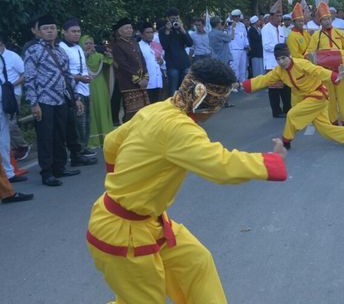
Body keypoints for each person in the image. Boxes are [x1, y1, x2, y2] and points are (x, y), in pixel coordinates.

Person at [86, 58, 288, 303]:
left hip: (148, 221)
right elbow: (220, 166)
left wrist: (120, 180)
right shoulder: (179, 129)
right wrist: (269, 162)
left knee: (196, 263)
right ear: (205, 101)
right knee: (143, 300)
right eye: (219, 103)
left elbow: (111, 142)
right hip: (122, 231)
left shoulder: (157, 109)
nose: (218, 110)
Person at [242, 43, 344, 149]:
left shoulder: (301, 64)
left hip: (317, 95)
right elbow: (264, 79)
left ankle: (286, 142)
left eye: (283, 58)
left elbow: (317, 70)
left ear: (289, 55)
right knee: (324, 128)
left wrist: (334, 76)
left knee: (292, 114)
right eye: (278, 59)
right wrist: (244, 85)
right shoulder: (278, 71)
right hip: (308, 98)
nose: (281, 62)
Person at [24, 15, 82, 186]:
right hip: (43, 100)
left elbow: (68, 76)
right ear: (39, 32)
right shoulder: (32, 51)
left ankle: (60, 167)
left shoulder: (60, 51)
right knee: (45, 137)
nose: (49, 31)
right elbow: (29, 78)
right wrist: (34, 103)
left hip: (61, 99)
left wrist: (76, 98)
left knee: (60, 134)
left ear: (57, 31)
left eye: (52, 28)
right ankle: (47, 173)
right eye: (45, 28)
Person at [307, 1, 344, 127]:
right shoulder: (316, 36)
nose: (327, 22)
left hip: (340, 70)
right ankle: (332, 122)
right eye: (324, 19)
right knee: (330, 97)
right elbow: (309, 53)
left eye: (328, 19)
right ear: (320, 21)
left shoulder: (339, 33)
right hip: (326, 72)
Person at [58, 19, 97, 161]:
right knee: (78, 122)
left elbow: (82, 65)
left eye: (78, 31)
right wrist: (79, 78)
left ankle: (84, 147)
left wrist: (87, 76)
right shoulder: (61, 47)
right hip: (73, 90)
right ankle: (77, 152)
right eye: (73, 31)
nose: (76, 34)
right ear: (64, 32)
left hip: (85, 87)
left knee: (86, 120)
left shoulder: (78, 47)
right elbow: (63, 72)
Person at [111, 18, 150, 122]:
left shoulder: (134, 42)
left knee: (144, 111)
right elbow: (123, 66)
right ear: (120, 31)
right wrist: (138, 80)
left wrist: (146, 77)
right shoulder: (117, 45)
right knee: (132, 113)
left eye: (130, 28)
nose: (130, 30)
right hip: (129, 83)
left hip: (142, 82)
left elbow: (142, 59)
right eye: (126, 28)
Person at [0, 33, 31, 161]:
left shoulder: (12, 56)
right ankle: (10, 151)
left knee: (11, 122)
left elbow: (25, 74)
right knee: (3, 125)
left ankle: (22, 146)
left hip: (12, 94)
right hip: (1, 94)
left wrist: (11, 86)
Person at [80, 36, 114, 148]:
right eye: (86, 43)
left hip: (100, 85)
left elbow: (109, 62)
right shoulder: (80, 58)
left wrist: (109, 56)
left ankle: (105, 137)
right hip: (87, 86)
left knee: (102, 108)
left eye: (91, 43)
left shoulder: (99, 56)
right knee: (92, 109)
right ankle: (93, 139)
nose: (89, 46)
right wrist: (86, 56)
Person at [261, 1, 291, 118]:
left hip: (283, 63)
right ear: (271, 17)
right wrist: (280, 49)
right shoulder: (266, 29)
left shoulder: (281, 28)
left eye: (280, 16)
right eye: (277, 16)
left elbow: (284, 42)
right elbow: (267, 46)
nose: (279, 18)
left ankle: (287, 108)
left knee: (286, 86)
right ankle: (276, 111)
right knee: (274, 88)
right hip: (272, 63)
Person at [159, 8, 193, 94]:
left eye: (176, 18)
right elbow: (165, 46)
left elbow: (190, 43)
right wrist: (167, 31)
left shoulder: (180, 29)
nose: (174, 20)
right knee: (173, 89)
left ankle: (185, 105)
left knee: (186, 88)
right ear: (167, 18)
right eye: (172, 18)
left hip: (184, 63)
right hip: (172, 64)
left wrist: (182, 29)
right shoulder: (162, 31)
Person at [138, 23, 165, 103]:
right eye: (147, 32)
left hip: (158, 81)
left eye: (152, 32)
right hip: (147, 83)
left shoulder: (156, 45)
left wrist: (162, 61)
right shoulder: (138, 46)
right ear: (141, 34)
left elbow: (162, 62)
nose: (150, 35)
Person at [228, 9, 249, 83]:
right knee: (234, 67)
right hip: (234, 49)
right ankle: (234, 84)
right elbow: (230, 36)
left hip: (243, 49)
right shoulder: (230, 24)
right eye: (235, 16)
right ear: (232, 17)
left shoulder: (242, 25)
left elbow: (245, 36)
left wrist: (247, 44)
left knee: (243, 67)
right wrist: (232, 27)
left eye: (238, 16)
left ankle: (242, 83)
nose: (236, 18)